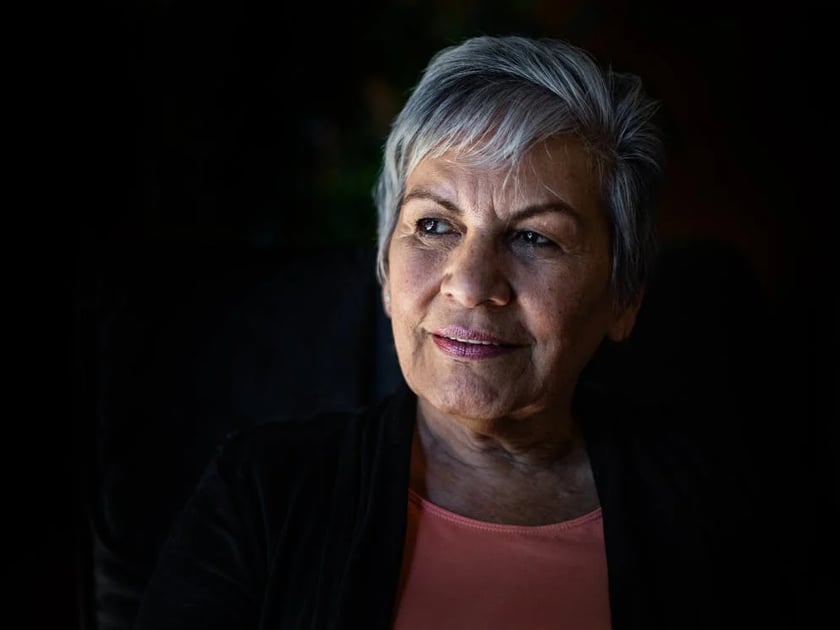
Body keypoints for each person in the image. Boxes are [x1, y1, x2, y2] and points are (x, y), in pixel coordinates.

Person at [132, 34, 791, 629]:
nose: (471, 283)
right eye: (434, 225)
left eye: (534, 237)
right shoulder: (263, 492)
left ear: (621, 298)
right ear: (386, 271)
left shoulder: (714, 514)